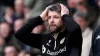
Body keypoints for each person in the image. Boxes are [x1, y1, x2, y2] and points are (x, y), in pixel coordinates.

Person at [15, 3, 82, 56]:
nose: (51, 20)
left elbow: (75, 28)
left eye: (56, 17)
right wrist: (40, 18)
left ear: (64, 19)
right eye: (49, 17)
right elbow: (19, 34)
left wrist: (65, 16)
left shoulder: (72, 37)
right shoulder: (44, 39)